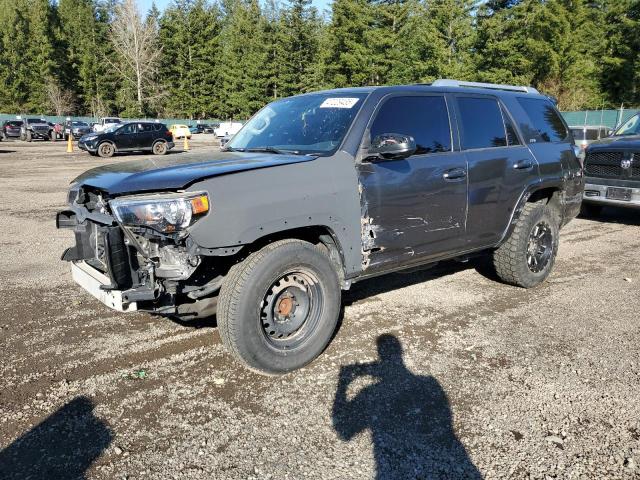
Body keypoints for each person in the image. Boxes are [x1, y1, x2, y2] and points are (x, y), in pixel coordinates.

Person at [333, 334, 481, 479]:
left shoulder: (370, 393)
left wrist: (342, 383)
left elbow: (344, 431)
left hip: (393, 470)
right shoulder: (430, 383)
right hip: (445, 461)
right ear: (400, 353)